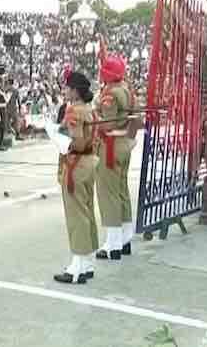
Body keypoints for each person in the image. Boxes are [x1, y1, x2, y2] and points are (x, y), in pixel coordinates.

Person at [54, 72, 98, 285]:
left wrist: (59, 139)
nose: (65, 91)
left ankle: (77, 267)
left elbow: (77, 142)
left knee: (76, 215)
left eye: (67, 87)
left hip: (75, 164)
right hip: (89, 162)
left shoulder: (73, 111)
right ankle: (87, 262)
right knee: (86, 211)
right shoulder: (90, 110)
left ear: (75, 91)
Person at [95, 56, 134, 260]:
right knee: (121, 192)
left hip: (110, 145)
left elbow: (108, 123)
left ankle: (113, 244)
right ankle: (126, 238)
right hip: (124, 143)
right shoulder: (127, 90)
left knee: (108, 193)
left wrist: (93, 116)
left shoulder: (110, 94)